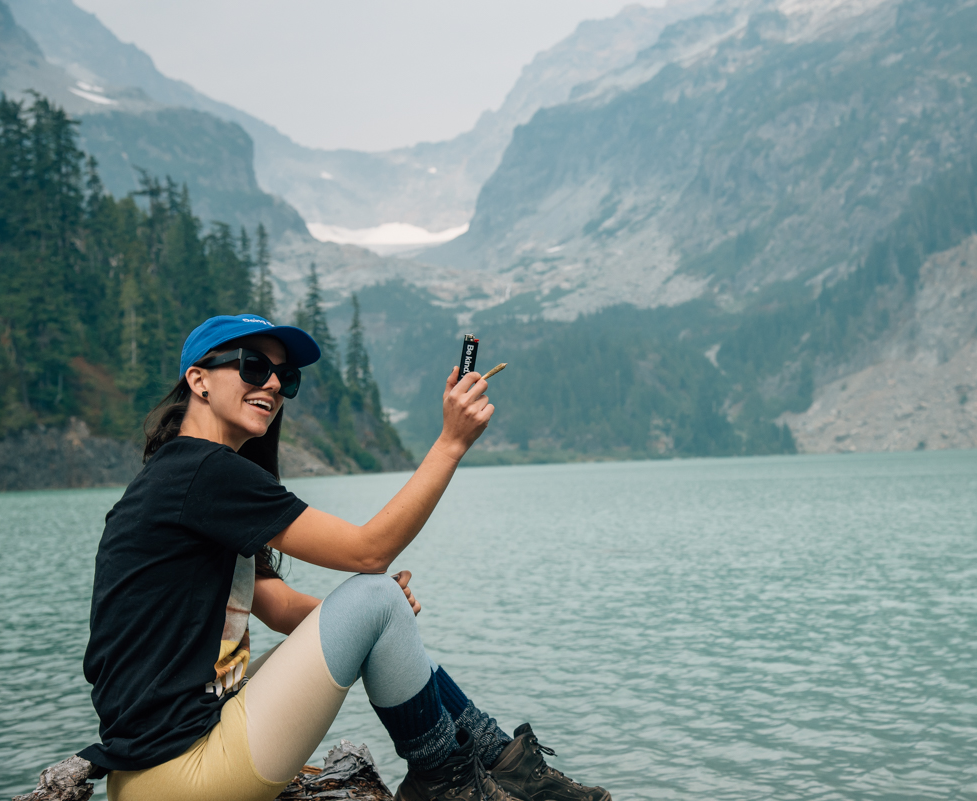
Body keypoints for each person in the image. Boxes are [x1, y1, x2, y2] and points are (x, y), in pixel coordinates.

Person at [78, 314, 611, 801]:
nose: (271, 384)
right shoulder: (202, 471)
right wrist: (450, 444)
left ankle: (500, 760)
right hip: (181, 774)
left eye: (284, 378)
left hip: (149, 775)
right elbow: (370, 551)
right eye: (253, 366)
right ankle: (446, 782)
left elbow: (279, 605)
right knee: (377, 592)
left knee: (379, 605)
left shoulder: (187, 478)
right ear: (199, 380)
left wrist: (378, 625)